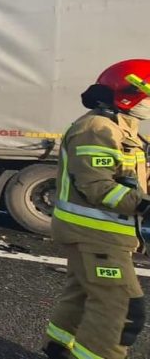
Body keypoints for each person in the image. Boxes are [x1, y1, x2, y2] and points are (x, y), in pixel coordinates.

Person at [44, 59, 150, 359]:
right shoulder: (97, 129)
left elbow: (133, 179)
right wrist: (144, 205)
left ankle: (58, 346)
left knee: (81, 294)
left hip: (98, 234)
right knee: (121, 311)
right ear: (128, 95)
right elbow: (97, 186)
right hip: (96, 235)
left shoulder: (124, 130)